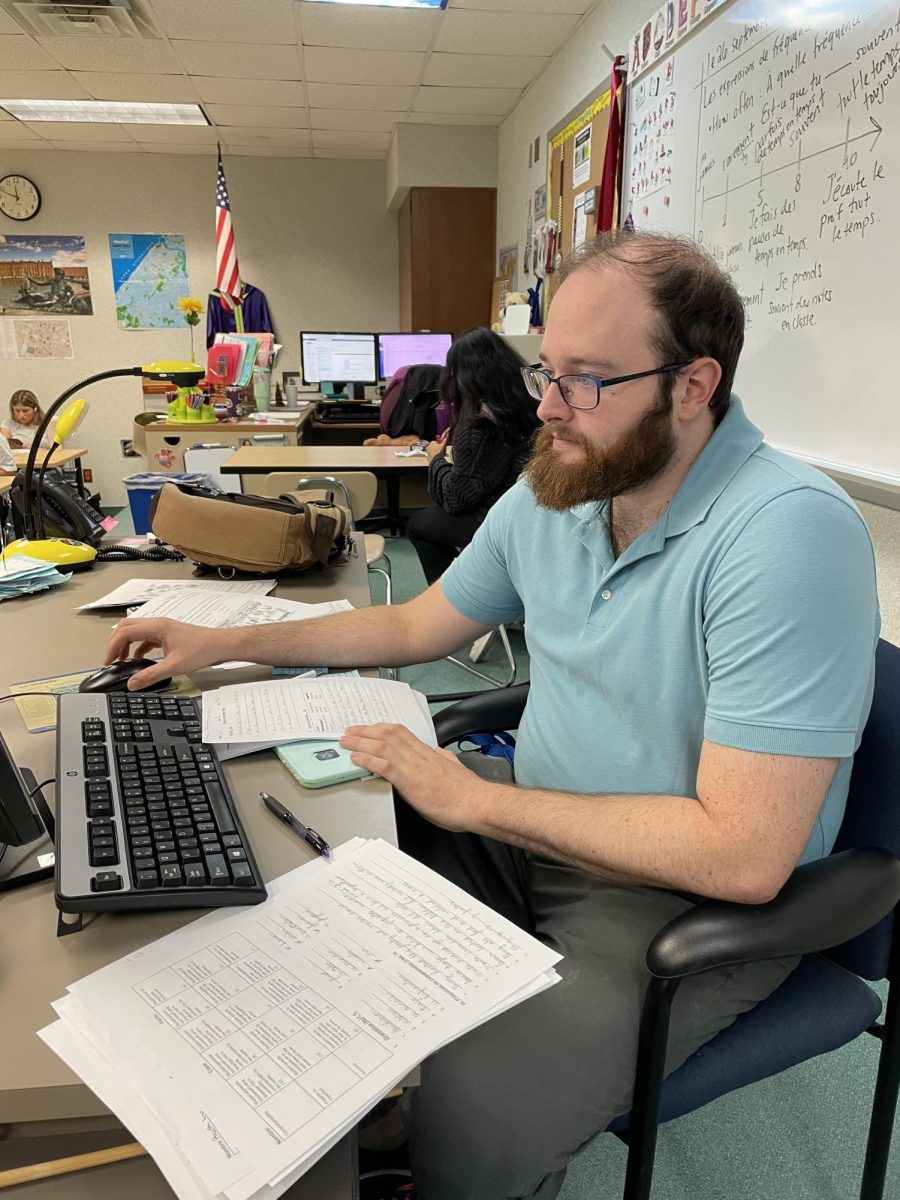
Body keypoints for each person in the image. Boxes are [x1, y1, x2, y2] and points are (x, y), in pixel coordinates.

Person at [104, 230, 880, 1200]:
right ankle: (375, 1115)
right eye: (546, 371)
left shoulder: (788, 535)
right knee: (317, 893)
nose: (546, 408)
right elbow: (415, 624)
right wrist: (229, 643)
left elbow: (744, 854)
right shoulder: (567, 485)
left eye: (585, 381)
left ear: (692, 387)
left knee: (469, 1113)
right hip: (537, 827)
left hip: (682, 903)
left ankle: (425, 1148)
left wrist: (477, 802)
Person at [405, 328, 540, 584]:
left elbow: (456, 500)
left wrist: (435, 459)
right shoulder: (531, 405)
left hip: (495, 522)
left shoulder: (479, 426)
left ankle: (452, 598)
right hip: (528, 517)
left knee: (419, 524)